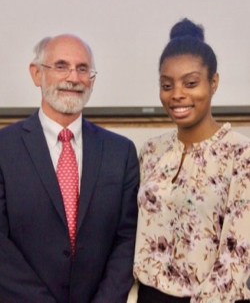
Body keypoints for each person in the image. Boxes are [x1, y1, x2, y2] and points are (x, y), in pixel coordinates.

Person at [0, 34, 139, 303]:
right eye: (61, 66)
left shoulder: (120, 153)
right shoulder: (4, 148)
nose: (73, 78)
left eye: (83, 68)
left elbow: (128, 240)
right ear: (36, 73)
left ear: (92, 80)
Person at [133, 18, 250, 303]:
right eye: (167, 84)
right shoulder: (150, 152)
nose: (177, 95)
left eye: (191, 83)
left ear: (213, 83)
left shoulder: (241, 154)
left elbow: (236, 258)